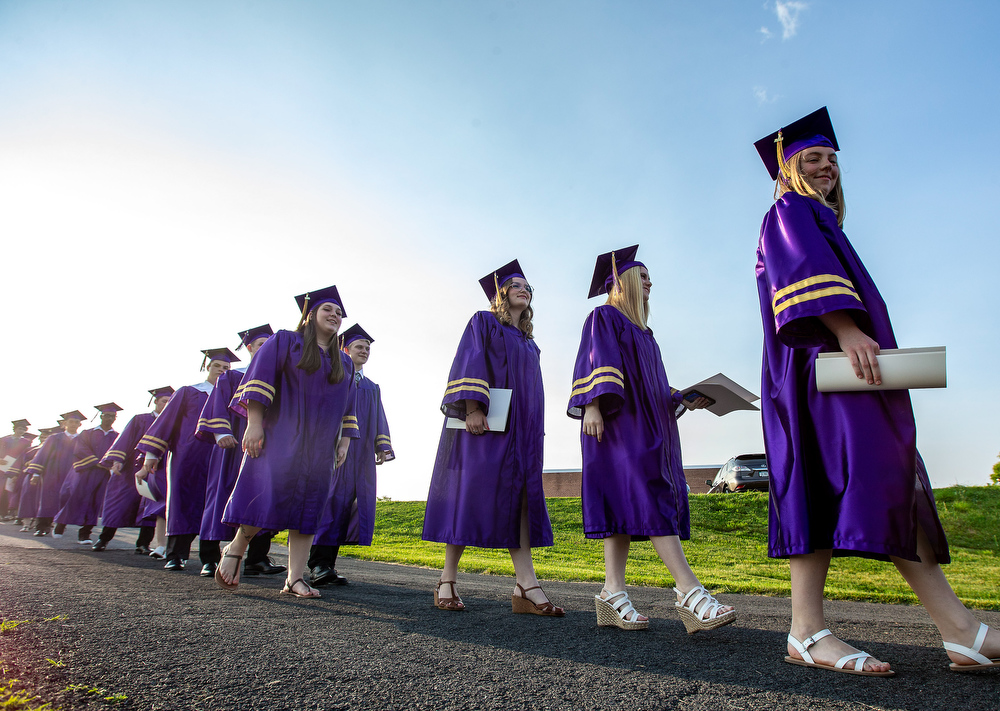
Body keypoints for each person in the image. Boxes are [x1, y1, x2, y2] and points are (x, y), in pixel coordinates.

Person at [753, 107, 999, 675]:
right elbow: (800, 275)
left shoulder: (824, 219)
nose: (827, 167)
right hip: (821, 371)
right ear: (787, 169)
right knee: (861, 476)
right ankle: (810, 631)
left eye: (832, 159)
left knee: (884, 476)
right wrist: (845, 328)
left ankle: (956, 629)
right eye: (813, 158)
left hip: (843, 369)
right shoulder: (788, 211)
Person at [568, 245, 733, 633]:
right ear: (621, 280)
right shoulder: (604, 317)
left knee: (621, 506)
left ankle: (612, 592)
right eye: (642, 276)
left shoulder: (646, 335)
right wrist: (591, 405)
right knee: (650, 494)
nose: (649, 282)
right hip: (617, 425)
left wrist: (681, 397)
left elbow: (651, 385)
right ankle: (689, 591)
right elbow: (594, 362)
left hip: (646, 424)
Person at [422, 260, 562, 616]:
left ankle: (526, 584)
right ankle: (446, 579)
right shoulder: (484, 322)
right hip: (484, 426)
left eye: (528, 287)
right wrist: (472, 408)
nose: (523, 289)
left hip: (522, 435)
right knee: (467, 495)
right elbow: (471, 361)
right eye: (516, 285)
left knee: (522, 500)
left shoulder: (529, 343)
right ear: (501, 292)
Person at [216, 285, 358, 599]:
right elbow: (260, 379)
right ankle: (237, 546)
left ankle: (295, 578)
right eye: (327, 310)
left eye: (338, 313)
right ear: (310, 314)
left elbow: (349, 407)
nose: (334, 315)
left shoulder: (344, 363)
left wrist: (344, 442)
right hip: (282, 434)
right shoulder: (285, 341)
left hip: (321, 444)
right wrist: (254, 424)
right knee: (269, 494)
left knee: (310, 506)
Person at [195, 325, 286, 578]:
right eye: (260, 345)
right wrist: (221, 433)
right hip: (232, 445)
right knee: (219, 496)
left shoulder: (279, 378)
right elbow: (216, 406)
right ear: (249, 348)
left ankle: (257, 559)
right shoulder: (232, 377)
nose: (266, 350)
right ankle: (209, 558)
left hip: (264, 446)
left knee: (260, 496)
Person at [136, 349, 237, 572]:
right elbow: (166, 422)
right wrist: (151, 456)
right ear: (207, 367)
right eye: (217, 366)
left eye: (226, 368)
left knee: (213, 505)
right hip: (186, 456)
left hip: (219, 456)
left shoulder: (231, 395)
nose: (221, 370)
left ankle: (210, 559)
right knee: (181, 502)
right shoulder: (189, 392)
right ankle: (175, 555)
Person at [310, 323, 395, 587]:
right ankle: (317, 564)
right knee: (330, 503)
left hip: (361, 454)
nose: (365, 351)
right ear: (345, 350)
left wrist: (381, 445)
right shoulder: (334, 377)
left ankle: (328, 565)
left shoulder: (371, 386)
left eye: (368, 348)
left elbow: (379, 417)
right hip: (335, 449)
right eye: (359, 346)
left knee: (347, 506)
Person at [95, 388, 175, 554]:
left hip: (157, 469)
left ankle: (143, 544)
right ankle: (104, 539)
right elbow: (125, 439)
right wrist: (117, 460)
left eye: (170, 402)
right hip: (132, 468)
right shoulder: (141, 419)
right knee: (119, 503)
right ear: (155, 402)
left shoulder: (172, 421)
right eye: (163, 401)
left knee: (151, 505)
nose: (166, 405)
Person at [54, 404, 120, 545]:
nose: (109, 418)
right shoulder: (87, 433)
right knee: (74, 498)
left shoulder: (116, 436)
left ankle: (85, 534)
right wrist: (97, 462)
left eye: (112, 416)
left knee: (95, 502)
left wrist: (109, 464)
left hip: (103, 474)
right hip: (85, 471)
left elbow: (118, 452)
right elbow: (80, 449)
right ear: (101, 416)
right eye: (106, 415)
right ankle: (61, 523)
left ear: (115, 418)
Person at [26, 411, 86, 537]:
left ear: (80, 424)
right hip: (52, 473)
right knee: (47, 499)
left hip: (72, 474)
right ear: (64, 423)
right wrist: (36, 474)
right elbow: (43, 455)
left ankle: (59, 525)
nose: (73, 424)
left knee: (66, 499)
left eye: (76, 422)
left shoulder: (82, 439)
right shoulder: (54, 438)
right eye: (71, 422)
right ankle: (42, 527)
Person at [16, 428, 55, 532]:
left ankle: (42, 523)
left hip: (47, 477)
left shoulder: (55, 450)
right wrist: (32, 462)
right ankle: (26, 524)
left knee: (43, 500)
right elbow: (24, 462)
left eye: (46, 437)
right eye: (42, 437)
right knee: (28, 498)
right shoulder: (31, 449)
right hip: (31, 475)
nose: (44, 439)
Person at [1, 419, 32, 519]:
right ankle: (2, 513)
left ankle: (7, 512)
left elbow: (25, 455)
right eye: (19, 428)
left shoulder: (26, 442)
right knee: (1, 488)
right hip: (2, 465)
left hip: (16, 467)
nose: (21, 431)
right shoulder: (4, 439)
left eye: (23, 429)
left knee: (9, 490)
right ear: (15, 429)